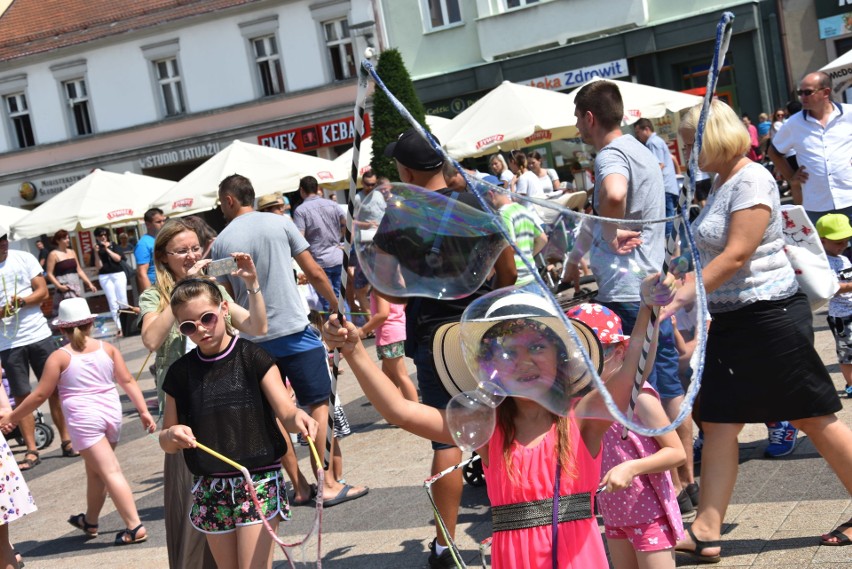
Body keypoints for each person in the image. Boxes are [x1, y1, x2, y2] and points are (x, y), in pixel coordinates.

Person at [324, 275, 674, 568]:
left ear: (562, 358)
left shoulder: (582, 419)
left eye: (537, 347)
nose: (522, 361)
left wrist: (649, 307)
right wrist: (354, 351)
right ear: (489, 366)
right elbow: (400, 411)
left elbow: (633, 370)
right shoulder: (487, 427)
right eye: (507, 351)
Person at [669, 98, 852, 561]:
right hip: (734, 321)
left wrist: (684, 292)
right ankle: (707, 529)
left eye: (691, 144)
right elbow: (712, 253)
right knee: (719, 423)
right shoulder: (721, 180)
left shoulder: (751, 177)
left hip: (768, 316)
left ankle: (708, 527)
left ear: (714, 138)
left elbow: (736, 254)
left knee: (813, 416)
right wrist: (676, 271)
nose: (685, 154)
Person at [375, 129, 517, 567]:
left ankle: (444, 545)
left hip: (432, 336)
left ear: (408, 171)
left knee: (447, 436)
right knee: (503, 426)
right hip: (481, 327)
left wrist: (420, 288)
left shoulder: (399, 215)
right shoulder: (478, 201)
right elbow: (508, 271)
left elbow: (388, 291)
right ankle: (516, 527)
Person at [563, 80, 690, 508]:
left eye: (577, 118)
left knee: (632, 390)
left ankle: (655, 487)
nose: (577, 127)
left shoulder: (611, 154)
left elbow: (615, 193)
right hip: (652, 287)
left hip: (626, 291)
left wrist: (611, 229)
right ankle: (682, 481)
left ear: (589, 117)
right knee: (665, 387)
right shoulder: (642, 148)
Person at [213, 174, 368, 509]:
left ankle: (297, 486)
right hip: (295, 332)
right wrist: (337, 306)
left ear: (228, 200)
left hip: (254, 339)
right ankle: (325, 482)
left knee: (273, 414)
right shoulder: (280, 224)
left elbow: (224, 293)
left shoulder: (221, 242)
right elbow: (313, 271)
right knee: (318, 404)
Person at [158, 278, 318, 569]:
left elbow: (285, 411)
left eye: (207, 318)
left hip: (258, 480)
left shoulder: (253, 356)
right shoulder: (180, 373)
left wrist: (300, 417)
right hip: (210, 487)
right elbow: (166, 443)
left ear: (223, 309)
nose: (201, 329)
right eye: (189, 326)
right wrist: (173, 433)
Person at [140, 218, 268, 569]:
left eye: (196, 247)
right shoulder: (154, 295)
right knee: (194, 516)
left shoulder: (214, 290)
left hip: (227, 405)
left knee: (231, 505)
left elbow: (257, 326)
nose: (192, 255)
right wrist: (183, 291)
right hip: (184, 415)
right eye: (182, 251)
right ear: (163, 257)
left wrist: (252, 284)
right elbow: (151, 340)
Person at [1, 297, 155, 546]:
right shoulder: (108, 349)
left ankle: (134, 525)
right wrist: (143, 410)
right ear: (90, 324)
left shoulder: (60, 357)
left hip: (84, 420)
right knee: (96, 472)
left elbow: (40, 394)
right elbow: (127, 381)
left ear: (61, 328)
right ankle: (90, 520)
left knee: (109, 471)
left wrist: (12, 416)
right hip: (110, 414)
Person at [568, 303, 685, 569]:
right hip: (613, 515)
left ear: (619, 352)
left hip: (650, 514)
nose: (583, 366)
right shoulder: (581, 402)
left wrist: (632, 467)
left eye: (593, 355)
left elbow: (676, 452)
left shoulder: (639, 397)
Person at [0, 225, 75, 469]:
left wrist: (21, 301)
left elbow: (42, 291)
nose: (2, 244)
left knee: (54, 389)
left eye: (3, 239)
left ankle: (66, 440)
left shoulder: (24, 257)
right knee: (21, 396)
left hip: (37, 333)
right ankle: (31, 449)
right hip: (8, 341)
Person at [769, 71, 852, 225]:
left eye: (807, 92)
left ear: (826, 92)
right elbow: (774, 152)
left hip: (849, 197)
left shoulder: (849, 114)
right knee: (821, 249)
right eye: (800, 93)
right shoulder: (794, 123)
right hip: (817, 204)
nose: (802, 97)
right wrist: (791, 177)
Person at [292, 176, 346, 313]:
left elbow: (299, 238)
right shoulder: (333, 204)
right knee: (339, 299)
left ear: (302, 190)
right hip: (338, 256)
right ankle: (346, 329)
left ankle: (340, 332)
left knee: (329, 303)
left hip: (318, 261)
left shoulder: (301, 210)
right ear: (317, 188)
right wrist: (342, 241)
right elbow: (346, 224)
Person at [485, 175, 547, 287]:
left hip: (518, 282)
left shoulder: (503, 214)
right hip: (533, 277)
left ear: (490, 195)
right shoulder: (523, 209)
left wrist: (492, 268)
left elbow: (511, 246)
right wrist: (528, 257)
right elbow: (543, 239)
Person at [356, 291, 418, 402]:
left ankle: (417, 413)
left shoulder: (379, 288)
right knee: (389, 379)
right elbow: (404, 303)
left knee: (401, 376)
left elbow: (383, 314)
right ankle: (401, 410)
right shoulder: (393, 284)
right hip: (396, 331)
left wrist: (363, 330)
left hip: (388, 335)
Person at [817, 213, 852, 398]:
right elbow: (831, 287)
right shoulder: (823, 262)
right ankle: (850, 384)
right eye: (838, 242)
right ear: (822, 241)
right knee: (847, 353)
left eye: (846, 240)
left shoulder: (844, 258)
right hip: (842, 315)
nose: (843, 245)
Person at [633, 118, 680, 239]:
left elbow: (659, 165)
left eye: (638, 132)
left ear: (646, 129)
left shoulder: (652, 142)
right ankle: (675, 248)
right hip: (669, 185)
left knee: (666, 218)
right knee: (670, 217)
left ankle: (672, 249)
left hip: (664, 186)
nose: (638, 136)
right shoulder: (657, 141)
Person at [46, 229, 98, 309]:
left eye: (68, 238)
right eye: (65, 238)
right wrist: (59, 286)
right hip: (64, 286)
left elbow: (79, 270)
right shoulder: (53, 254)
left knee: (78, 308)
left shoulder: (72, 252)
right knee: (69, 310)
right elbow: (49, 274)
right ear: (58, 241)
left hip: (75, 285)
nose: (68, 240)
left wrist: (89, 284)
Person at [92, 228, 129, 334]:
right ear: (97, 237)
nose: (103, 237)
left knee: (123, 300)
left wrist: (107, 249)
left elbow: (118, 258)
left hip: (118, 274)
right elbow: (98, 266)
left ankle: (127, 325)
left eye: (104, 235)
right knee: (112, 302)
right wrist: (96, 252)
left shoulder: (114, 245)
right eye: (100, 235)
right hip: (105, 276)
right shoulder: (96, 249)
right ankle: (119, 328)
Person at [134, 208, 166, 292]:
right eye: (158, 222)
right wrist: (150, 296)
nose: (162, 224)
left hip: (168, 284)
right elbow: (141, 273)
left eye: (163, 221)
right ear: (148, 224)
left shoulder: (163, 239)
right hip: (155, 287)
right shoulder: (143, 244)